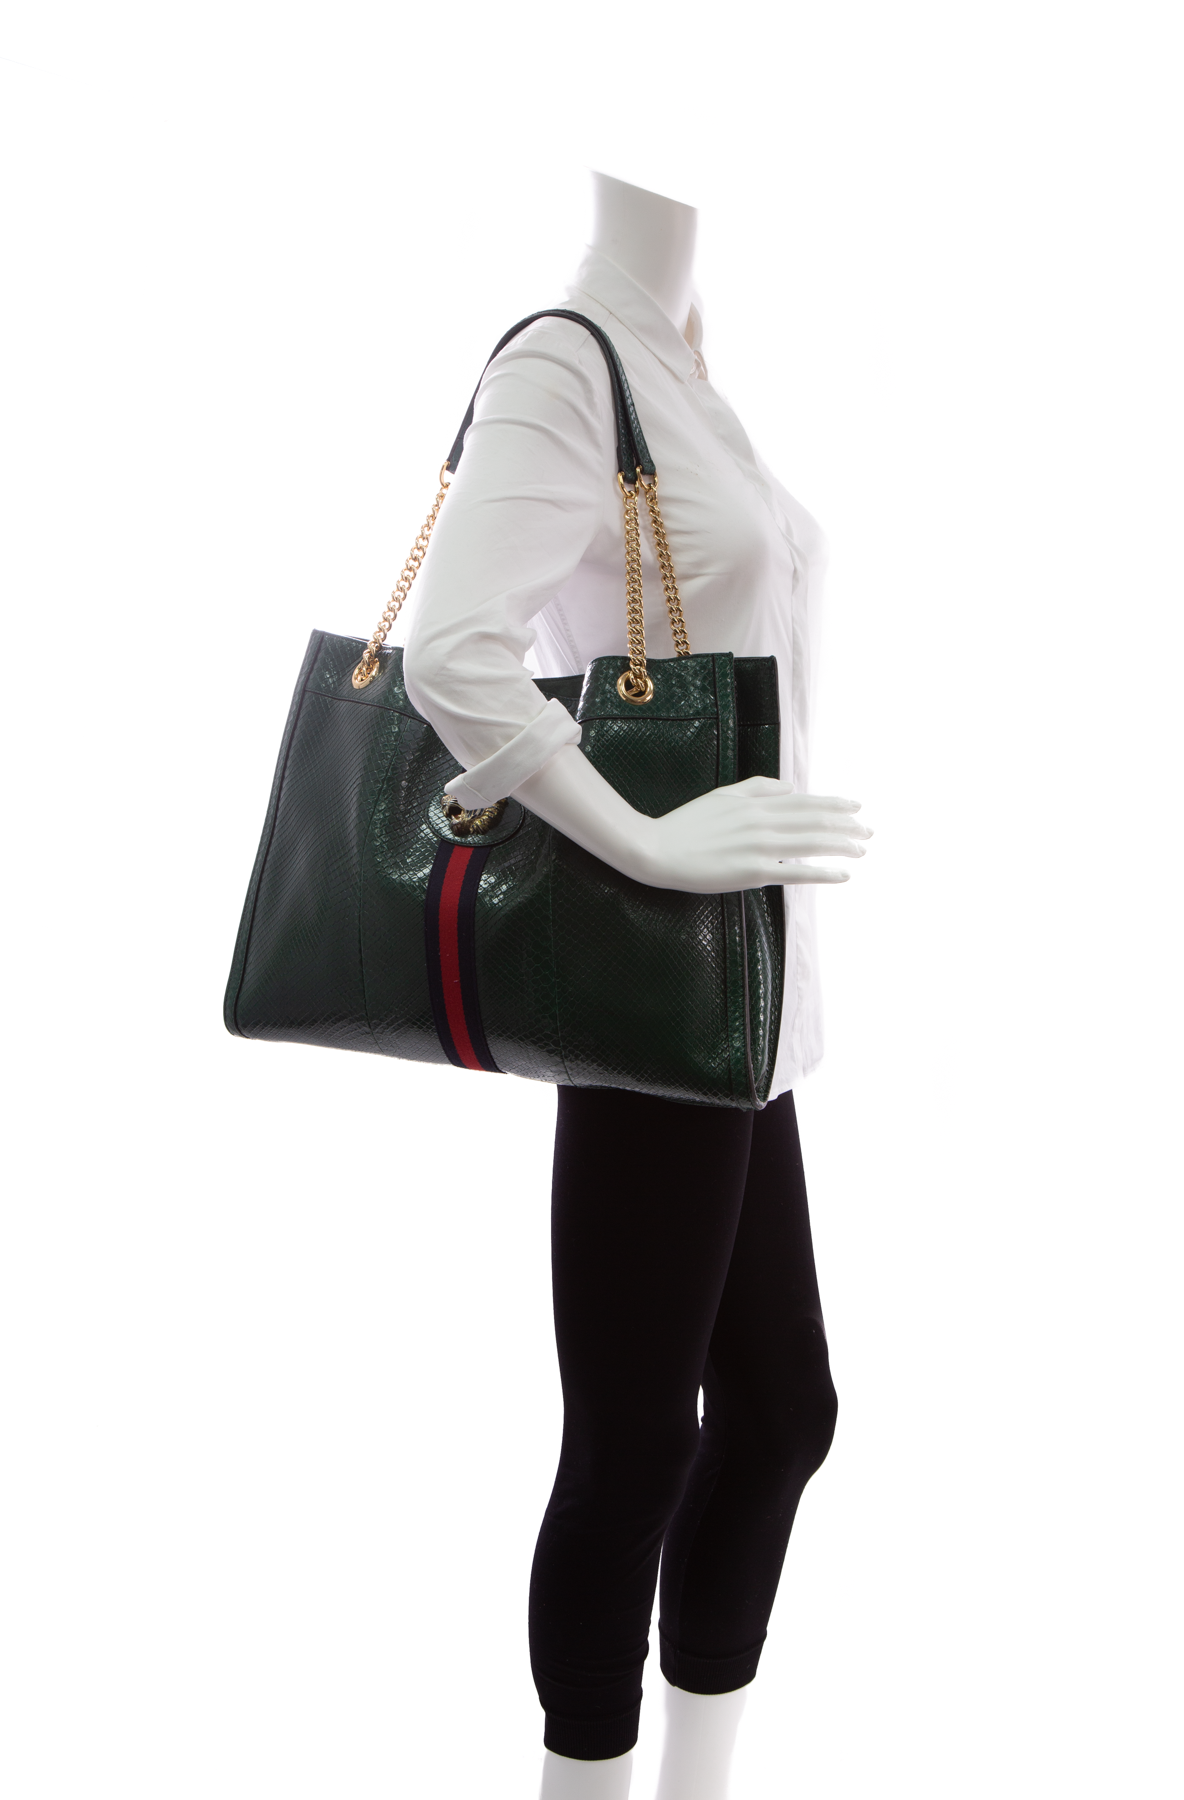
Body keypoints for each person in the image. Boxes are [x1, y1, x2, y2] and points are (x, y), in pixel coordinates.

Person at [403, 172, 871, 1800]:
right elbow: (451, 650)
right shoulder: (569, 360)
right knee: (635, 1452)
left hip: (740, 986)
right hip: (654, 976)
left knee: (782, 1414)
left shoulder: (679, 358)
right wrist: (654, 842)